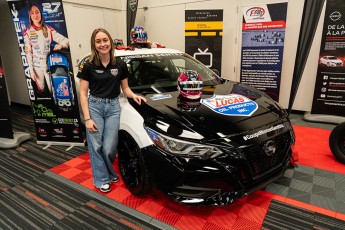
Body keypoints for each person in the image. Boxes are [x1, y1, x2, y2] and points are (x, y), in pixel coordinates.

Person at [77, 28, 147, 193]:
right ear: (94, 44)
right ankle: (101, 179)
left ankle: (108, 171)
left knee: (109, 147)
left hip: (114, 107)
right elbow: (82, 92)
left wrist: (134, 95)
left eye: (105, 40)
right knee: (96, 145)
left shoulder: (120, 64)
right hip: (95, 106)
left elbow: (126, 88)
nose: (103, 44)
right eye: (98, 41)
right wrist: (87, 118)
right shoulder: (88, 65)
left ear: (110, 42)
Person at [24, 3, 69, 94]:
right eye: (32, 13)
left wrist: (61, 45)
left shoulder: (48, 29)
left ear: (41, 13)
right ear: (30, 16)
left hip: (49, 65)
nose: (35, 15)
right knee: (41, 90)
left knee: (53, 90)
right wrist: (31, 71)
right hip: (36, 67)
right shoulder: (27, 32)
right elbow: (28, 54)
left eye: (37, 12)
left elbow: (66, 40)